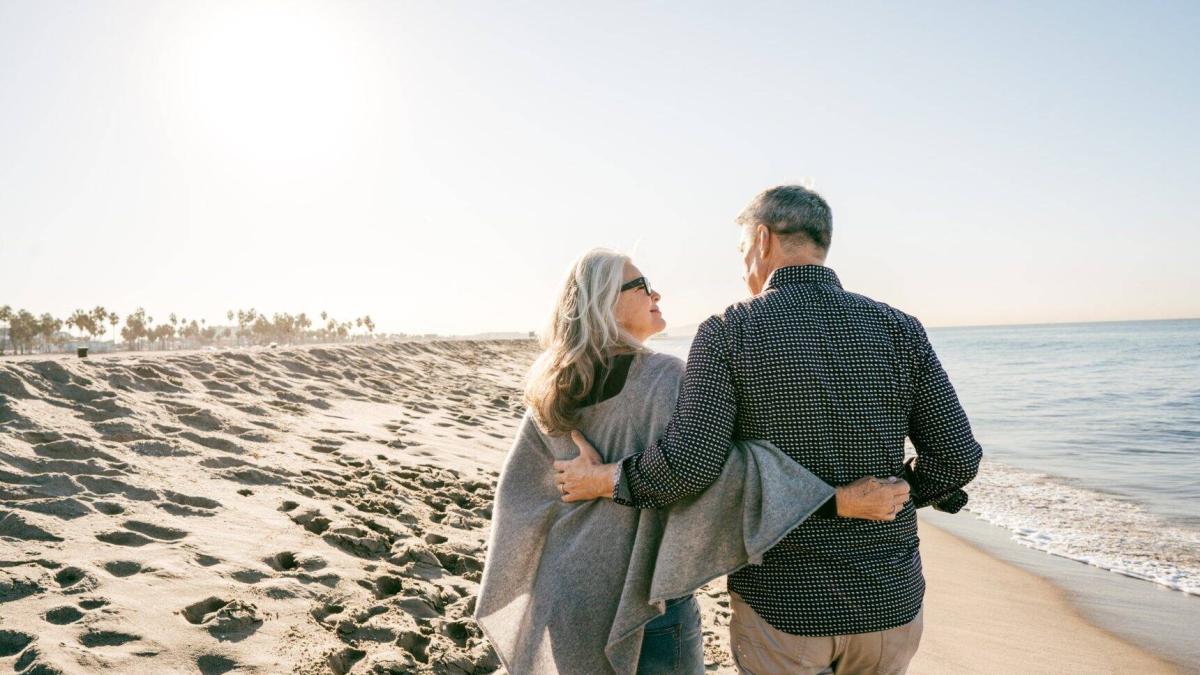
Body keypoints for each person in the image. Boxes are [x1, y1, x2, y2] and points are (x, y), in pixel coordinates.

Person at [556, 185, 983, 675]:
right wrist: (900, 492)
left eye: (742, 251)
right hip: (888, 599)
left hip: (784, 602)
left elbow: (690, 465)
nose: (743, 267)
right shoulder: (899, 327)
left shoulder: (728, 330)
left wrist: (608, 478)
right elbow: (957, 458)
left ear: (762, 240)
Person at [475, 248, 909, 675]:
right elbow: (716, 473)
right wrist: (835, 500)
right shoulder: (666, 377)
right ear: (604, 301)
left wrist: (585, 489)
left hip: (565, 591)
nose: (656, 294)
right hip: (643, 600)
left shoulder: (551, 386)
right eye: (641, 286)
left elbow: (519, 497)